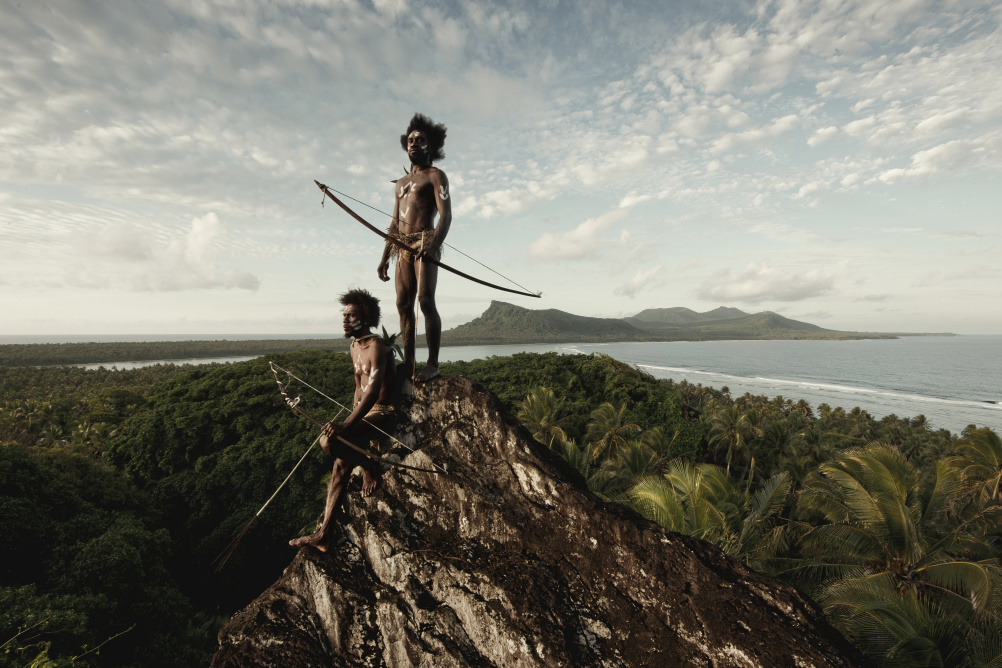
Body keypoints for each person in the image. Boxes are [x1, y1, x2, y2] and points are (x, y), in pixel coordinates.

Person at [289, 288, 396, 552]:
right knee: (340, 468)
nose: (345, 320)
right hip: (363, 415)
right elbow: (358, 389)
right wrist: (349, 417)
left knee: (328, 443)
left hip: (383, 413)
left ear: (365, 317)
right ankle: (324, 535)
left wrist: (346, 427)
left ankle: (369, 465)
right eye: (344, 315)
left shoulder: (378, 346)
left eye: (351, 316)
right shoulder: (353, 348)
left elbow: (372, 392)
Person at [377, 113, 451, 382]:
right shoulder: (400, 184)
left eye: (420, 140)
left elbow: (445, 215)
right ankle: (409, 363)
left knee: (425, 300)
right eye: (410, 140)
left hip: (423, 242)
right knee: (402, 303)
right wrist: (385, 257)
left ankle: (432, 364)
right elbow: (395, 223)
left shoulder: (436, 176)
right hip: (401, 246)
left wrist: (432, 246)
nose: (414, 143)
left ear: (430, 146)